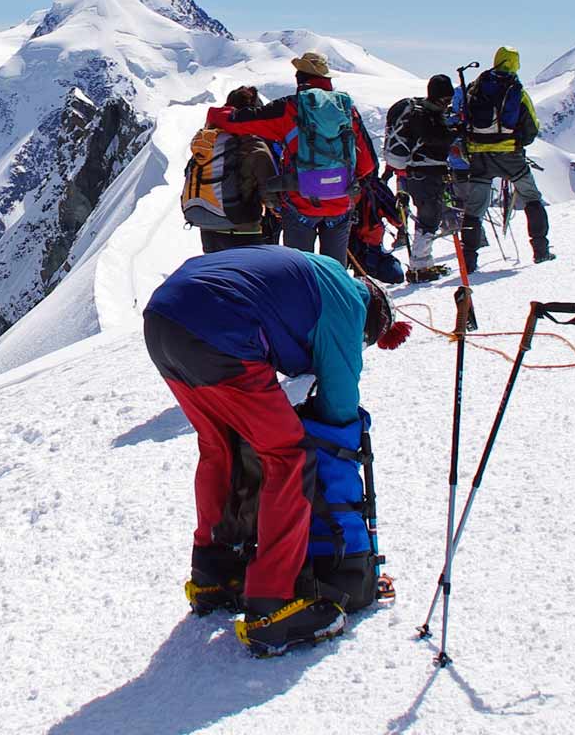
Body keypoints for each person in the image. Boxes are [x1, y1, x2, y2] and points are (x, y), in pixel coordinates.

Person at [142, 244, 407, 655]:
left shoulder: (319, 272)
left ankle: (215, 572)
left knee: (221, 446)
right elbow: (338, 409)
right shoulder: (348, 307)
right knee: (288, 456)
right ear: (370, 320)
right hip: (222, 328)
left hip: (165, 318)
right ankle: (275, 603)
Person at [206, 52, 377, 264]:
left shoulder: (290, 108)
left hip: (300, 204)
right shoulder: (347, 109)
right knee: (335, 272)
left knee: (299, 271)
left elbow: (241, 121)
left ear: (299, 79)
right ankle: (335, 293)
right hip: (340, 204)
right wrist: (336, 180)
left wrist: (215, 115)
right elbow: (368, 164)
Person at [457, 47, 552, 270]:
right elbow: (530, 128)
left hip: (479, 155)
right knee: (531, 197)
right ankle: (541, 251)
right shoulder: (516, 90)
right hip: (510, 155)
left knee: (475, 208)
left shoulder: (475, 87)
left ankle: (468, 261)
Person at [183, 86, 282, 253]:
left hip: (207, 226)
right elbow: (270, 189)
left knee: (218, 276)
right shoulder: (252, 142)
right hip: (242, 225)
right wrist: (279, 210)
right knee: (248, 277)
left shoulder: (208, 140)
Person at [383, 74, 461, 270]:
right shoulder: (423, 116)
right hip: (425, 175)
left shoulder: (425, 113)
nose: (448, 103)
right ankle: (420, 265)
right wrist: (456, 132)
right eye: (446, 99)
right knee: (428, 219)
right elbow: (437, 139)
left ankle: (422, 263)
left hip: (420, 174)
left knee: (429, 216)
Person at [348, 171, 407, 284]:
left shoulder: (340, 188)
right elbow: (397, 220)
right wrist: (403, 207)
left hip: (345, 244)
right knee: (395, 276)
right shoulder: (375, 187)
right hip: (370, 248)